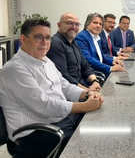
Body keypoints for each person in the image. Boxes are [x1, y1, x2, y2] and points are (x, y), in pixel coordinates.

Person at [0, 18, 104, 158]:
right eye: (39, 37)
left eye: (48, 38)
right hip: (37, 132)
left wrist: (87, 93)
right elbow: (44, 106)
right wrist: (85, 106)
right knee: (88, 147)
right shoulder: (15, 69)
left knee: (95, 130)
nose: (45, 42)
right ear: (23, 39)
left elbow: (64, 85)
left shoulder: (45, 60)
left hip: (59, 120)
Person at [47, 12, 102, 90]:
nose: (74, 27)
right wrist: (86, 91)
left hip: (81, 86)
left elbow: (85, 65)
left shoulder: (73, 42)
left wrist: (95, 81)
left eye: (77, 24)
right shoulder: (56, 43)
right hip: (70, 91)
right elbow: (63, 75)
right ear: (59, 24)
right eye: (69, 23)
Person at [75, 13, 125, 77]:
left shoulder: (96, 37)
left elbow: (101, 56)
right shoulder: (82, 37)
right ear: (87, 24)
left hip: (100, 70)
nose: (98, 26)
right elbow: (87, 59)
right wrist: (110, 68)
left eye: (100, 24)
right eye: (95, 23)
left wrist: (112, 61)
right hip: (92, 74)